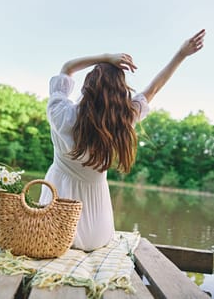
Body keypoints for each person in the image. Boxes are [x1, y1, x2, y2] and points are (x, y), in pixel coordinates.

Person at [39, 29, 205, 251]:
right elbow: (153, 89)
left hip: (55, 227)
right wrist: (181, 54)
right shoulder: (122, 122)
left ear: (86, 86)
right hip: (97, 235)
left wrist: (105, 57)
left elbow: (67, 68)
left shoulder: (60, 113)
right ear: (120, 93)